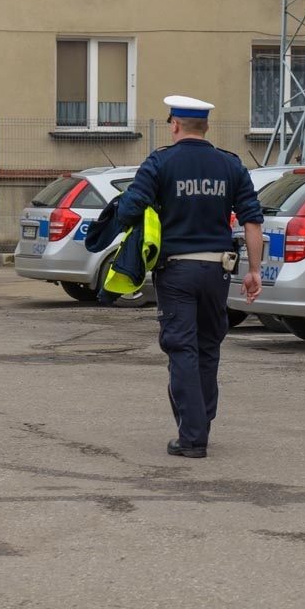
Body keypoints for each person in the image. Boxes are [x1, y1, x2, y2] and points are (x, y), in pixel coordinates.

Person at [118, 95, 264, 459]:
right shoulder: (231, 165)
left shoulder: (160, 162)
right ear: (207, 127)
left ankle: (192, 436)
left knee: (181, 348)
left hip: (177, 270)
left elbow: (129, 209)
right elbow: (252, 222)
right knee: (208, 346)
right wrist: (255, 271)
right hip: (218, 270)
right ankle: (201, 423)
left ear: (174, 125)